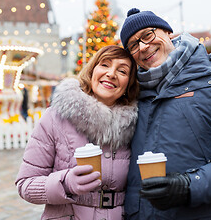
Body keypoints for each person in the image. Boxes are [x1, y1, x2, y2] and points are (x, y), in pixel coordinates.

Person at [119, 8, 211, 220]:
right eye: (133, 45)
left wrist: (189, 185)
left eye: (148, 35)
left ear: (168, 32)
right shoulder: (131, 90)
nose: (143, 47)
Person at [15, 45, 139, 220]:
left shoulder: (135, 125)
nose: (111, 74)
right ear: (91, 71)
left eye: (122, 71)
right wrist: (65, 183)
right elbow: (25, 185)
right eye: (104, 65)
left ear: (129, 84)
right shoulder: (55, 118)